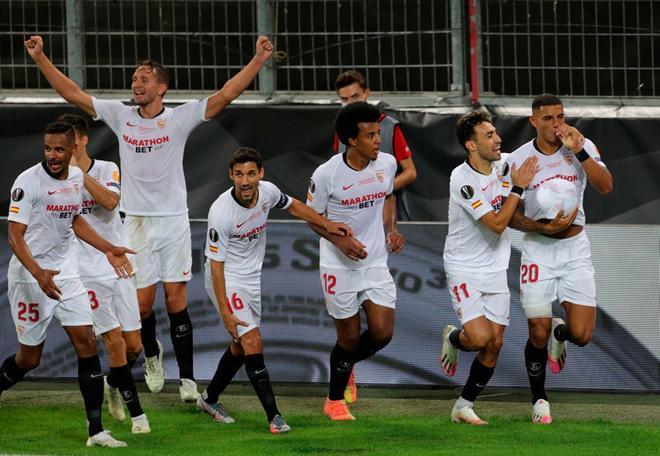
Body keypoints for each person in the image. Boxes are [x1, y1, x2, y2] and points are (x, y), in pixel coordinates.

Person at [25, 34, 274, 401]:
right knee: (142, 305)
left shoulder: (178, 118)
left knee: (176, 300)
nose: (135, 84)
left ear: (161, 87)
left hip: (173, 219)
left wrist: (257, 61)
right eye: (134, 79)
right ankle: (153, 353)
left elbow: (224, 96)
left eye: (143, 79)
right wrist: (40, 58)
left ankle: (187, 381)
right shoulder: (120, 115)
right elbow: (74, 94)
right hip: (136, 221)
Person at [0, 122, 135, 447]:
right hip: (30, 277)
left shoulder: (77, 179)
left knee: (87, 343)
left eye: (59, 149)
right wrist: (37, 273)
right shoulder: (28, 182)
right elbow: (14, 236)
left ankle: (96, 431)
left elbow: (74, 219)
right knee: (29, 358)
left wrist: (107, 247)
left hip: (66, 274)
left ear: (73, 149)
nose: (53, 155)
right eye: (48, 148)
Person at [199, 147, 351, 434]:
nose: (245, 181)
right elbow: (216, 267)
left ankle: (209, 399)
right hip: (226, 278)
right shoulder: (220, 213)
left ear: (261, 174)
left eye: (251, 174)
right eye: (239, 174)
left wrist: (327, 224)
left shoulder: (267, 192)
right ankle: (275, 417)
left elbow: (294, 205)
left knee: (241, 346)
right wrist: (225, 313)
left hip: (251, 279)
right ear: (231, 175)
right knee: (253, 342)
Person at [506, 94, 613, 424]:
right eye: (549, 118)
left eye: (561, 117)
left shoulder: (581, 146)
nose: (557, 125)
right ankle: (539, 399)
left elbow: (606, 186)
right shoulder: (518, 159)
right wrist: (541, 226)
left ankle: (560, 334)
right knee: (536, 330)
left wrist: (579, 151)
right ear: (533, 122)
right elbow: (508, 215)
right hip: (538, 250)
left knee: (581, 336)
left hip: (575, 250)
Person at [307, 102, 405, 421]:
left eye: (378, 134)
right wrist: (340, 240)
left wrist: (391, 228)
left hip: (374, 261)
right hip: (338, 264)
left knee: (382, 333)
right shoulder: (326, 175)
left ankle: (345, 365)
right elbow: (312, 218)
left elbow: (388, 196)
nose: (378, 140)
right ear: (352, 140)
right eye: (370, 135)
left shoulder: (387, 164)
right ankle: (334, 400)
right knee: (348, 338)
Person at [439, 111, 539, 424]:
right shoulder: (462, 178)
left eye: (496, 133)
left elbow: (538, 154)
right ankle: (455, 338)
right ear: (471, 145)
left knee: (495, 342)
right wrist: (517, 189)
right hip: (464, 267)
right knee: (480, 338)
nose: (498, 139)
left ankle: (463, 406)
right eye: (489, 135)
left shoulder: (505, 164)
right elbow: (496, 224)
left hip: (495, 268)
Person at [58, 114, 149, 433]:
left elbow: (110, 202)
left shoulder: (106, 168)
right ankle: (139, 416)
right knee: (112, 341)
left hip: (119, 263)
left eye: (69, 142)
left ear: (82, 141)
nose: (63, 149)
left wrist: (79, 176)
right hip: (86, 269)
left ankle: (113, 383)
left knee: (133, 345)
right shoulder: (57, 180)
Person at [333, 70, 417, 222]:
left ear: (366, 94)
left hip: (386, 212)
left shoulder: (389, 127)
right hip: (351, 213)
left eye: (355, 96)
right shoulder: (341, 129)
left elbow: (410, 173)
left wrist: (377, 190)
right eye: (344, 99)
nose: (350, 103)